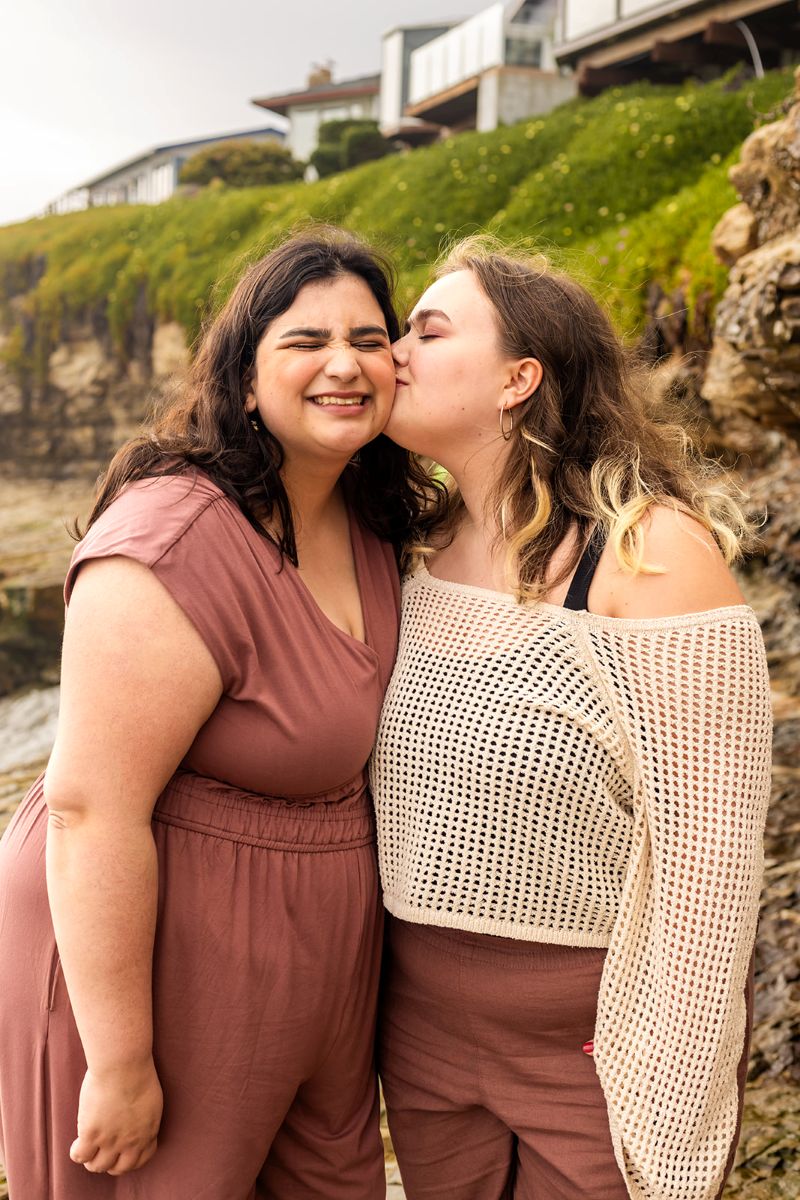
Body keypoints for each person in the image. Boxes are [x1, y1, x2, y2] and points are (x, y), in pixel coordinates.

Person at [0, 229, 432, 1200]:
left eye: (369, 338)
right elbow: (88, 810)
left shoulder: (369, 517)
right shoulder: (174, 536)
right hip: (154, 956)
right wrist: (120, 1060)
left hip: (314, 963)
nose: (344, 363)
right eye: (304, 340)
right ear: (241, 381)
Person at [371, 236, 773, 1200]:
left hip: (597, 1047)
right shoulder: (407, 551)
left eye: (427, 330)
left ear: (518, 378)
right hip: (418, 1038)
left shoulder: (649, 557)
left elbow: (709, 863)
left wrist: (674, 1085)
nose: (393, 353)